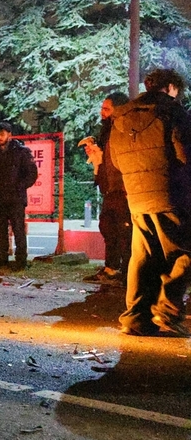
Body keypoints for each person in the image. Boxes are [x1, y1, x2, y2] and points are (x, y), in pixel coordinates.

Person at [107, 68, 191, 337]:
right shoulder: (173, 112)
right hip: (171, 195)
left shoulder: (121, 118)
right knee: (184, 253)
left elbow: (116, 162)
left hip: (137, 198)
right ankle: (167, 313)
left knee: (143, 257)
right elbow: (185, 154)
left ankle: (134, 318)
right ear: (169, 87)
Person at [78, 92, 132, 285]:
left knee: (125, 232)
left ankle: (127, 273)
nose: (102, 112)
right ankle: (111, 268)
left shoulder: (125, 128)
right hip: (108, 188)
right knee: (108, 228)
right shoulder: (107, 130)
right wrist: (95, 151)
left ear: (119, 110)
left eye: (107, 109)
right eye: (102, 108)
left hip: (124, 188)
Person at [0, 122, 39, 270]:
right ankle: (2, 259)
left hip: (15, 198)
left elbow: (32, 174)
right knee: (1, 231)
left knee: (18, 230)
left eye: (2, 134)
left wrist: (20, 186)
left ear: (9, 134)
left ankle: (21, 261)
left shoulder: (22, 152)